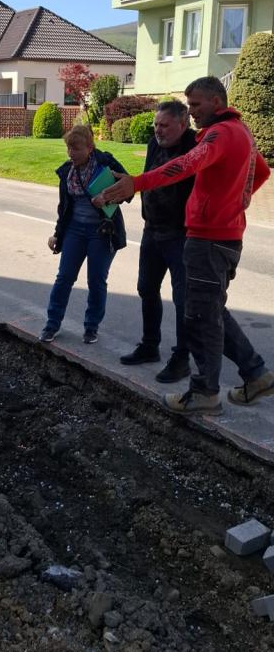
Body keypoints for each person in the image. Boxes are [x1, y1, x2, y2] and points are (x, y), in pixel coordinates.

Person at [101, 77, 273, 414]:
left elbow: (186, 164)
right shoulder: (241, 131)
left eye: (195, 105)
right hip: (221, 234)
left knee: (199, 317)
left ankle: (205, 393)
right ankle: (256, 375)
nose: (191, 111)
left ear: (216, 102)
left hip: (208, 239)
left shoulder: (219, 133)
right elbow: (263, 171)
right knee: (211, 311)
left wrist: (138, 183)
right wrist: (233, 201)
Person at [120, 100, 196, 383]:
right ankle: (150, 345)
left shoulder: (195, 145)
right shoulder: (154, 144)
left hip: (181, 234)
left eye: (164, 125)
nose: (158, 130)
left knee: (183, 299)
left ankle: (182, 358)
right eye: (156, 124)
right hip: (152, 230)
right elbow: (149, 178)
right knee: (146, 288)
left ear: (182, 123)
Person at [40, 123, 129, 345]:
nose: (71, 153)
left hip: (101, 231)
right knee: (64, 277)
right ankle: (52, 324)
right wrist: (57, 234)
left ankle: (91, 327)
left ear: (90, 147)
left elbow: (128, 191)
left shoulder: (105, 163)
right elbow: (64, 208)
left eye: (76, 148)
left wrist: (106, 197)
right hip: (74, 230)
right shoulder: (67, 171)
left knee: (96, 280)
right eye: (69, 148)